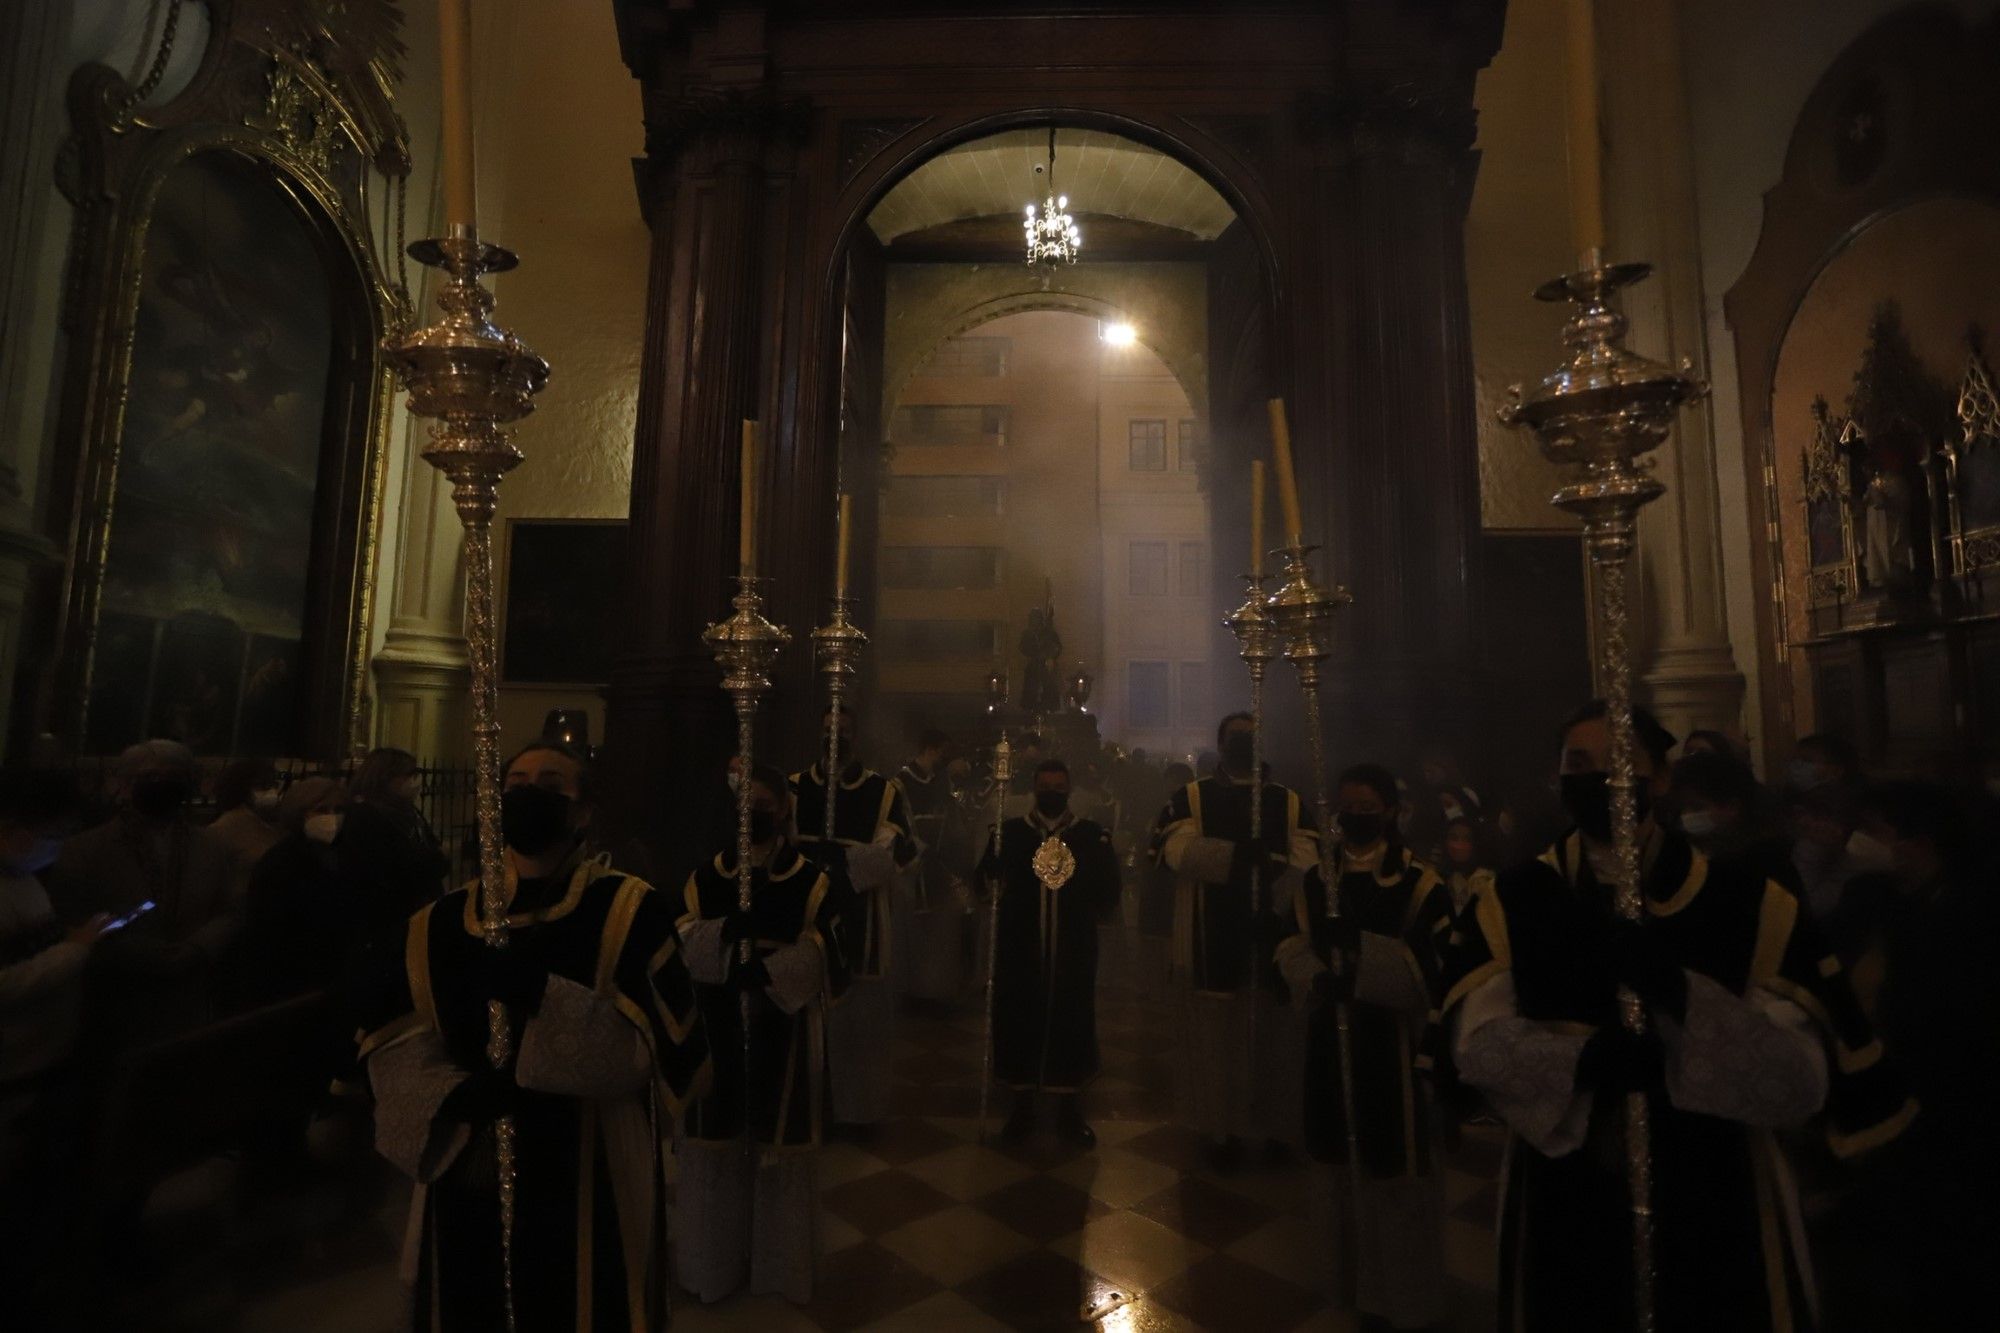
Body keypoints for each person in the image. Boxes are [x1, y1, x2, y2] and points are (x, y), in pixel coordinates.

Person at [1438, 701, 1914, 1333]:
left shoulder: (1747, 903)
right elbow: (1477, 1043)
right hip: (1568, 1182)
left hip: (1717, 1182)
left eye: (1619, 763)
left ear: (1658, 779)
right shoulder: (1513, 900)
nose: (1598, 778)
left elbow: (1798, 1078)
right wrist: (1584, 1061)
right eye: (1578, 764)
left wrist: (1678, 994)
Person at [357, 741, 710, 1332]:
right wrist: (451, 1094)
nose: (528, 795)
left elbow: (650, 1051)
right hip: (468, 1157)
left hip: (588, 1151)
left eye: (550, 785)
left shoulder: (626, 908)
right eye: (515, 783)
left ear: (583, 812)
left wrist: (542, 997)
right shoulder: (440, 922)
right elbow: (396, 1039)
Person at [1274, 762, 1453, 1330]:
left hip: (1391, 1048)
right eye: (1346, 808)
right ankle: (1346, 1283)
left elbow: (1434, 967)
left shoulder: (1419, 883)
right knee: (1334, 1161)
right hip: (1330, 1038)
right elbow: (1288, 944)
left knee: (1390, 1167)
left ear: (1390, 812)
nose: (1355, 818)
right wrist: (1314, 976)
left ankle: (1396, 1295)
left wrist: (1361, 959)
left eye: (1367, 808)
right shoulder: (1314, 880)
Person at [676, 766, 850, 1303]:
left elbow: (829, 946)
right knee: (718, 1144)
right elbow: (680, 933)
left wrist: (773, 971)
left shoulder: (810, 879)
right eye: (743, 801)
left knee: (780, 1148)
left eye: (764, 801)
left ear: (783, 810)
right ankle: (714, 1268)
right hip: (719, 1015)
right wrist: (725, 939)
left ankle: (780, 1271)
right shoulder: (707, 877)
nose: (753, 810)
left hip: (784, 1022)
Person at [1827, 779, 1994, 1329]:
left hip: (1953, 1112)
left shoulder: (1968, 912)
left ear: (1918, 842)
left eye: (1878, 832)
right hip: (1917, 1111)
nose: (1865, 842)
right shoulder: (1895, 903)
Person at [1156, 713, 1318, 1167]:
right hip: (1213, 933)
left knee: (1275, 1037)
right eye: (1236, 737)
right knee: (1216, 1039)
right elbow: (1173, 851)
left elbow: (1308, 862)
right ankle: (1219, 1131)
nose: (1245, 742)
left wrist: (1275, 900)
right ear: (1222, 744)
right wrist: (1232, 858)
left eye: (1252, 736)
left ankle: (1274, 1130)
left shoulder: (1288, 802)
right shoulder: (1192, 797)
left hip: (1272, 933)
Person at [0, 771, 105, 1330]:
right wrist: (75, 953)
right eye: (50, 833)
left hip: (43, 1057)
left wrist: (66, 940)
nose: (55, 846)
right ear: (13, 828)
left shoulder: (22, 875)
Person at [50, 739, 236, 1044]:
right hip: (117, 991)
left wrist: (196, 948)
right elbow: (71, 915)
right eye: (150, 777)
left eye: (172, 777)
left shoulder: (212, 845)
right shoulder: (85, 848)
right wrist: (138, 952)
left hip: (188, 990)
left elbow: (227, 909)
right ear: (126, 783)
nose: (161, 784)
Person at [978, 759, 1121, 1146]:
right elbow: (983, 885)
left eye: (1060, 785)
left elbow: (1109, 894)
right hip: (1020, 949)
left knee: (1070, 1021)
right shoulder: (1009, 834)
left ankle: (1069, 1108)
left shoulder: (1092, 836)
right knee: (1019, 1020)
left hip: (1071, 950)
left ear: (1070, 789)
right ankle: (1021, 1107)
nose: (1053, 792)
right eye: (1046, 785)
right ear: (1034, 788)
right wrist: (991, 866)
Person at [790, 706, 915, 1135]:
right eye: (827, 728)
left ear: (855, 735)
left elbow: (891, 852)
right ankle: (806, 1106)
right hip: (802, 917)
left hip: (859, 918)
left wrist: (838, 872)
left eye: (842, 729)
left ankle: (856, 1112)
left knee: (857, 1024)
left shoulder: (884, 792)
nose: (834, 735)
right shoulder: (792, 788)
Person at [233, 777, 349, 1004]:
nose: (332, 817)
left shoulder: (343, 853)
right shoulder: (281, 861)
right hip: (294, 976)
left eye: (338, 809)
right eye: (321, 810)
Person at [337, 747, 449, 953]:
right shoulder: (365, 816)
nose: (415, 781)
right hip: (388, 917)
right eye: (409, 774)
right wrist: (431, 861)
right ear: (385, 777)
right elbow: (397, 867)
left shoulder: (409, 812)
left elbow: (433, 854)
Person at [897, 728, 969, 1009]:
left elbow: (949, 819)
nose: (944, 758)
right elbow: (899, 823)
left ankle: (934, 991)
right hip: (914, 864)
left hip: (940, 862)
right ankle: (913, 991)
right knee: (914, 926)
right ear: (929, 749)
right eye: (941, 751)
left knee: (939, 927)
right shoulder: (900, 782)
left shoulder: (939, 782)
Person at [1668, 749, 1803, 895]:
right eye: (1682, 807)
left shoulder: (1765, 862)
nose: (1686, 815)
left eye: (1697, 807)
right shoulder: (1685, 852)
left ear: (1732, 806)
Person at [205, 757, 283, 895]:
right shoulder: (224, 828)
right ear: (241, 789)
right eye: (261, 786)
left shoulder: (273, 823)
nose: (272, 791)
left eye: (274, 785)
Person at [1439, 814, 1495, 916]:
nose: (1459, 845)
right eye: (1454, 838)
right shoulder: (1438, 877)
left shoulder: (1484, 881)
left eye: (1467, 839)